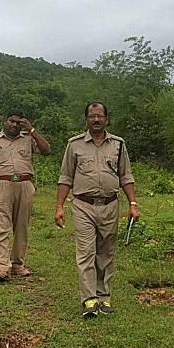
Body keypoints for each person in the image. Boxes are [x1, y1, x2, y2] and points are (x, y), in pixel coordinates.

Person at [54, 102, 139, 317]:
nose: (96, 120)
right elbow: (66, 177)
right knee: (86, 252)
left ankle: (103, 296)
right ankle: (89, 300)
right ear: (86, 120)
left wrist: (133, 204)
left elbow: (125, 176)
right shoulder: (74, 145)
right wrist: (59, 206)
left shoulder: (118, 144)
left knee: (105, 253)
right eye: (92, 116)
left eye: (100, 116)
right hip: (83, 206)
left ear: (107, 119)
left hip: (110, 205)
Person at [0, 111, 51, 283]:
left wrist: (32, 130)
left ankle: (17, 264)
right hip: (2, 184)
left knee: (21, 226)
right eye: (12, 121)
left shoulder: (28, 139)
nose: (14, 125)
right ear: (5, 121)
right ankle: (2, 267)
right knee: (1, 226)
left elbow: (46, 150)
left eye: (18, 123)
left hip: (24, 184)